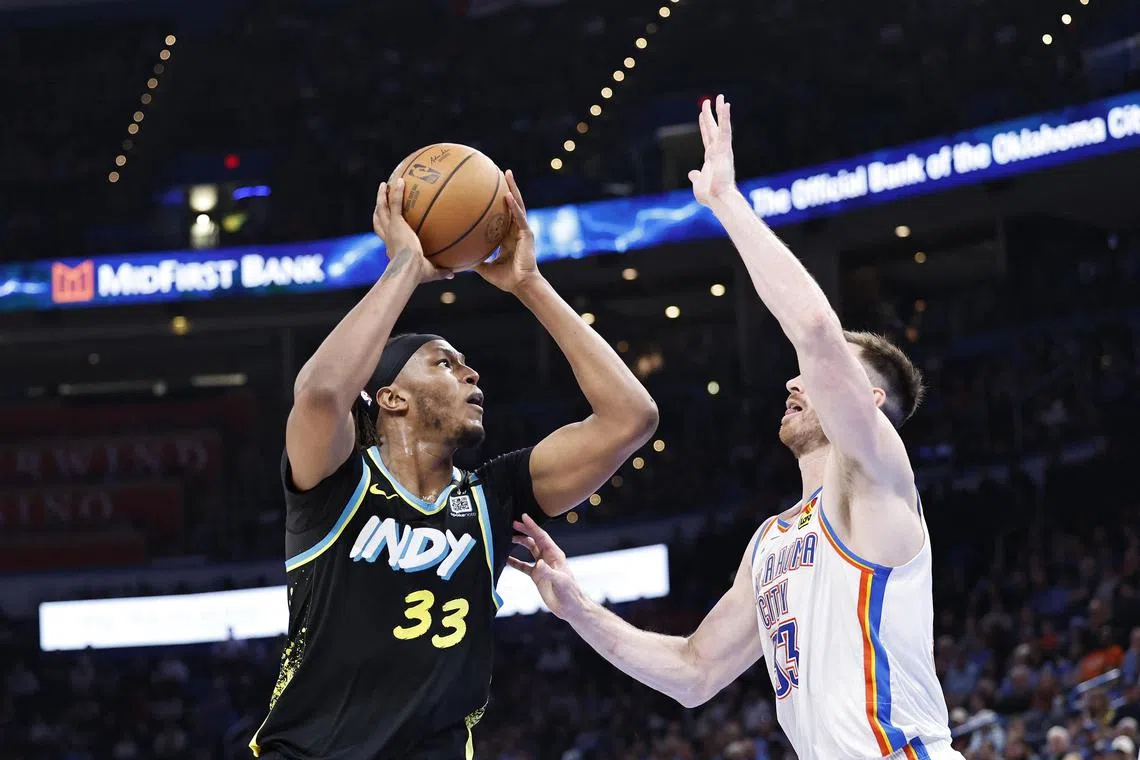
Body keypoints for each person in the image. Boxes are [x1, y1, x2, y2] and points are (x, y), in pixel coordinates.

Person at [508, 96, 961, 759]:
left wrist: (725, 200)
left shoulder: (877, 481)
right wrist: (576, 606)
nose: (793, 381)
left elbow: (812, 331)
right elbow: (695, 672)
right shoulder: (772, 540)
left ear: (865, 397)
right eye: (800, 373)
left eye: (816, 374)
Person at [250, 172, 659, 759]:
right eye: (444, 363)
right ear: (390, 396)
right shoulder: (336, 480)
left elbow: (632, 418)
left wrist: (530, 284)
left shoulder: (496, 496)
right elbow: (318, 394)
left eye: (466, 364)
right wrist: (404, 269)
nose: (471, 374)